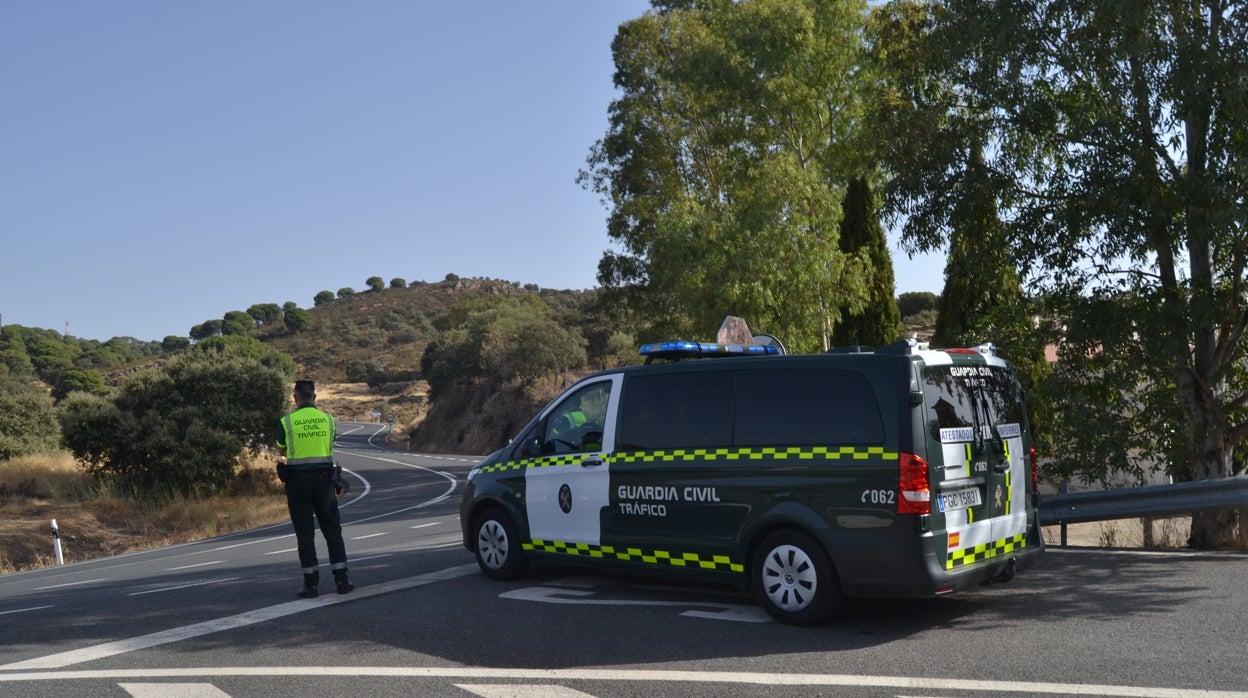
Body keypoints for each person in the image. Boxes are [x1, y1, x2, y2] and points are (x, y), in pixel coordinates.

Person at [276, 380, 353, 597]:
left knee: (305, 534)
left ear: (295, 398)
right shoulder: (328, 420)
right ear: (315, 397)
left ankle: (311, 585)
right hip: (324, 481)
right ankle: (342, 581)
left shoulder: (286, 422)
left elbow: (282, 449)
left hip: (298, 483)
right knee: (332, 530)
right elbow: (330, 444)